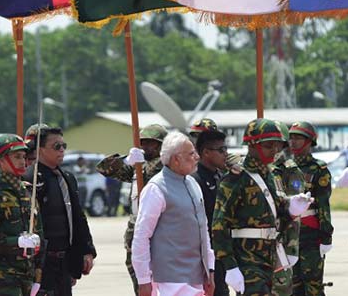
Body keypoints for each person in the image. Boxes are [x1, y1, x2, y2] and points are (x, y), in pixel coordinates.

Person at [212, 119, 313, 296]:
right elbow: (219, 226)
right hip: (248, 260)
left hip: (271, 257)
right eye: (268, 145)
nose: (274, 150)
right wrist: (230, 265)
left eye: (277, 145)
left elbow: (277, 217)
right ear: (251, 145)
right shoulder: (236, 178)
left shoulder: (270, 176)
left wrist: (291, 209)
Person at [132, 131, 215, 296]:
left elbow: (203, 231)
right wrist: (143, 280)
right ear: (176, 159)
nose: (197, 157)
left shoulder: (193, 184)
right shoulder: (156, 189)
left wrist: (209, 270)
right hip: (169, 281)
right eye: (191, 154)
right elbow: (141, 237)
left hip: (197, 277)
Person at [96, 124, 167, 294]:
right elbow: (103, 168)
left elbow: (153, 172)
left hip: (158, 231)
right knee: (139, 280)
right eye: (143, 142)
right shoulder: (139, 166)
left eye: (152, 143)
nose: (146, 147)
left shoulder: (166, 165)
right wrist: (125, 160)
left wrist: (139, 163)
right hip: (135, 231)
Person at [29, 124, 96, 296]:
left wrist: (87, 250)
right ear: (40, 149)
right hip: (40, 263)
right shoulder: (30, 179)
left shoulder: (67, 178)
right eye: (56, 146)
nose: (62, 150)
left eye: (64, 146)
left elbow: (78, 217)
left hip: (64, 261)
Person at [0, 134, 42, 296]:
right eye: (17, 156)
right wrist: (17, 242)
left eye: (24, 156)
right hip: (3, 272)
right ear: (1, 159)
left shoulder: (27, 191)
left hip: (28, 271)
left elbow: (39, 232)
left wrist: (38, 275)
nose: (22, 161)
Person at [287, 121, 333, 296]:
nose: (293, 142)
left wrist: (326, 235)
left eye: (298, 138)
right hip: (290, 233)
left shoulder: (319, 169)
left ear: (309, 141)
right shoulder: (282, 167)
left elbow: (323, 204)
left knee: (313, 285)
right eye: (291, 138)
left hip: (311, 234)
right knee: (292, 285)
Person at [191, 124, 229, 296]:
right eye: (221, 150)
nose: (226, 153)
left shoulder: (221, 177)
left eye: (225, 148)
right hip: (205, 253)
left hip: (224, 250)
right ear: (206, 152)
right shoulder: (194, 181)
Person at [269, 121, 304, 296]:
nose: (273, 148)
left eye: (277, 143)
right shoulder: (253, 169)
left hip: (280, 241)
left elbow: (294, 211)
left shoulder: (290, 171)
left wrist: (291, 248)